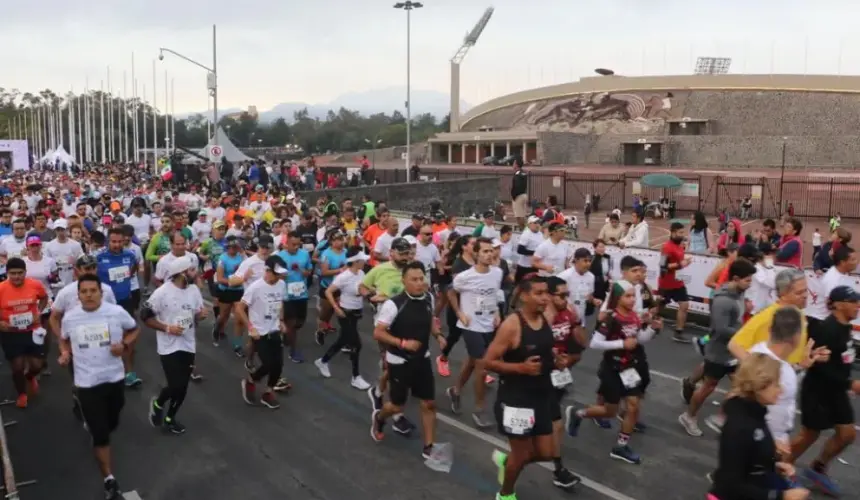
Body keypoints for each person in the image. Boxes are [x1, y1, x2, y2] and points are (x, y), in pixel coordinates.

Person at [57, 274, 139, 500]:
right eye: (84, 291)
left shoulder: (115, 312)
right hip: (87, 382)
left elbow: (134, 329)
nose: (89, 295)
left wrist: (123, 345)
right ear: (79, 294)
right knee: (100, 432)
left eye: (93, 290)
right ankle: (109, 480)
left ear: (101, 293)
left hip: (114, 378)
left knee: (112, 421)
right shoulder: (71, 318)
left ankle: (100, 432)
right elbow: (63, 338)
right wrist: (64, 353)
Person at [566, 279, 661, 464]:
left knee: (633, 405)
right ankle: (579, 414)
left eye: (634, 295)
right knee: (610, 411)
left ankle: (621, 446)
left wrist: (651, 329)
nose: (633, 299)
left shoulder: (634, 316)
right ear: (617, 298)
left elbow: (639, 339)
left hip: (630, 368)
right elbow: (594, 343)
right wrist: (621, 344)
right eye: (628, 296)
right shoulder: (611, 318)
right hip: (612, 369)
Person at [484, 274, 555, 500]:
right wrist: (520, 368)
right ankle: (505, 494)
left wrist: (556, 360)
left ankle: (508, 461)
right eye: (539, 293)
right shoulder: (512, 325)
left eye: (547, 293)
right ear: (524, 295)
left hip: (541, 394)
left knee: (547, 452)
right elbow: (488, 362)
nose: (545, 298)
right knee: (522, 453)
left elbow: (544, 350)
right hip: (516, 399)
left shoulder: (546, 317)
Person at [370, 261, 445, 461]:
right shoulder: (393, 304)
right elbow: (378, 333)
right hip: (400, 361)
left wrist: (437, 335)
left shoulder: (428, 297)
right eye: (414, 280)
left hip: (423, 359)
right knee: (396, 406)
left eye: (422, 279)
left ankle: (428, 446)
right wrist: (402, 343)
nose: (420, 283)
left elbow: (429, 320)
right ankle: (379, 418)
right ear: (404, 281)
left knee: (429, 403)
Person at [710, 353, 810, 500]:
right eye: (776, 384)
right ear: (760, 385)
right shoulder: (741, 425)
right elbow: (730, 485)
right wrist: (781, 496)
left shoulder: (755, 413)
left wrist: (773, 466)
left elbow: (748, 461)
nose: (780, 390)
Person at [791, 285, 859, 497]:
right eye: (853, 301)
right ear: (837, 304)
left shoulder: (845, 326)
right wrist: (851, 384)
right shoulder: (826, 330)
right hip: (818, 390)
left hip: (837, 390)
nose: (858, 305)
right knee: (809, 435)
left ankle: (816, 469)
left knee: (847, 434)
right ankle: (778, 470)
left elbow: (842, 360)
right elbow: (819, 366)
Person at [679, 259, 756, 437]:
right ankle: (689, 416)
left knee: (741, 384)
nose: (750, 284)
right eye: (747, 280)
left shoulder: (739, 294)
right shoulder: (722, 301)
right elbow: (721, 329)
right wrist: (744, 332)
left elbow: (735, 318)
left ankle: (722, 417)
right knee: (708, 386)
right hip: (719, 352)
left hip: (733, 350)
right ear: (736, 278)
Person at [142, 255, 207, 434]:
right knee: (175, 384)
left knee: (183, 386)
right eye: (192, 270)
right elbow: (145, 316)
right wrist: (167, 328)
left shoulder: (194, 290)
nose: (196, 273)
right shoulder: (162, 293)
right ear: (181, 273)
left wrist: (200, 316)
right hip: (168, 345)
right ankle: (158, 403)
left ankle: (170, 418)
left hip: (188, 343)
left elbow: (196, 315)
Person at [446, 238, 503, 428]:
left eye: (491, 251)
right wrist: (460, 314)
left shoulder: (497, 273)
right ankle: (479, 410)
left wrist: (496, 313)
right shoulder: (465, 277)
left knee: (471, 361)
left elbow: (493, 294)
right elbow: (450, 292)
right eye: (485, 251)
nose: (490, 254)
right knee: (482, 366)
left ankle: (455, 391)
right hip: (471, 326)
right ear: (476, 254)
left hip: (488, 325)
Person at [543, 276, 585, 489]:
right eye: (562, 295)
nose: (566, 299)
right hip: (538, 377)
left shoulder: (568, 313)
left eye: (567, 295)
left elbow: (581, 346)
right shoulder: (540, 317)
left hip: (558, 375)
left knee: (551, 424)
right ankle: (558, 470)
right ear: (549, 295)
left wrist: (576, 323)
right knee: (555, 424)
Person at [316, 247, 371, 389]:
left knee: (343, 340)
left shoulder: (361, 273)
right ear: (356, 262)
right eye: (362, 260)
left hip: (356, 312)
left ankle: (323, 361)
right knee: (356, 344)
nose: (364, 262)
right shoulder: (343, 276)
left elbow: (362, 289)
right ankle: (356, 377)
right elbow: (328, 292)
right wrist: (336, 308)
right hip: (345, 312)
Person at [237, 255, 288, 409]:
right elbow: (239, 308)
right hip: (260, 332)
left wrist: (281, 321)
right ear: (267, 270)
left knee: (278, 365)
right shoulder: (256, 287)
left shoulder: (281, 285)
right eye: (276, 273)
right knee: (268, 363)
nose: (278, 277)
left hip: (274, 329)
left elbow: (280, 303)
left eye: (280, 274)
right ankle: (251, 380)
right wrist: (250, 327)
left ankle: (268, 392)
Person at [0, 257, 49, 408]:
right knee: (17, 366)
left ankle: (30, 376)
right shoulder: (1, 288)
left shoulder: (35, 285)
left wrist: (39, 311)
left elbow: (44, 297)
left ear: (25, 272)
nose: (16, 277)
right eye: (13, 273)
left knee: (37, 365)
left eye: (20, 273)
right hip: (11, 332)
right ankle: (22, 394)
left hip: (32, 329)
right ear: (7, 273)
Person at [96, 228, 141, 387]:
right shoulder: (99, 257)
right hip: (105, 305)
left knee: (129, 337)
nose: (116, 245)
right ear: (108, 241)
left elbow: (133, 269)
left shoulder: (129, 255)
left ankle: (129, 372)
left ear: (124, 241)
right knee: (104, 339)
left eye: (119, 241)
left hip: (125, 301)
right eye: (113, 241)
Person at [659, 221, 693, 343]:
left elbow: (679, 263)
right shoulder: (666, 247)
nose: (682, 235)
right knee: (659, 305)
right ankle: (644, 321)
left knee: (684, 305)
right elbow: (663, 266)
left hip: (678, 282)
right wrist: (680, 264)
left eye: (683, 232)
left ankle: (678, 332)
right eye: (680, 232)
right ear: (673, 233)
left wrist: (685, 262)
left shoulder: (680, 246)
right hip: (666, 283)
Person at [510, 158, 529, 230]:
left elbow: (517, 186)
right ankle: (526, 229)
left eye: (514, 163)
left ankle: (524, 230)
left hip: (518, 197)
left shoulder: (518, 174)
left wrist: (513, 195)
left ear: (517, 165)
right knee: (523, 215)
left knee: (519, 216)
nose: (513, 165)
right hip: (524, 195)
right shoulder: (523, 173)